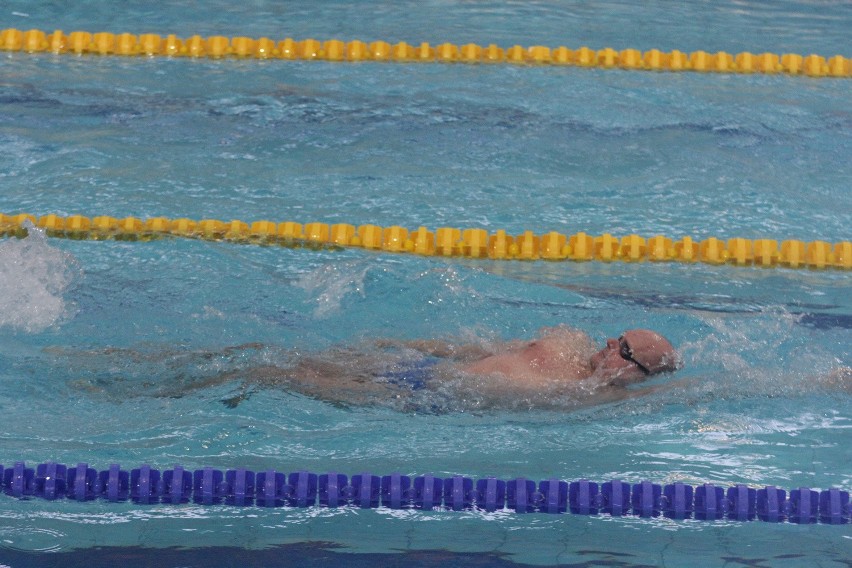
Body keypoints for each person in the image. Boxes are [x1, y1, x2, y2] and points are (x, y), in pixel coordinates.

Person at [210, 326, 681, 409]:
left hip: (417, 398)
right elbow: (474, 346)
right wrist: (403, 345)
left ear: (629, 369)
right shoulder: (569, 343)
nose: (607, 341)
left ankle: (192, 387)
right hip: (420, 365)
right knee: (260, 351)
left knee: (270, 376)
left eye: (620, 345)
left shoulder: (594, 397)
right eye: (617, 334)